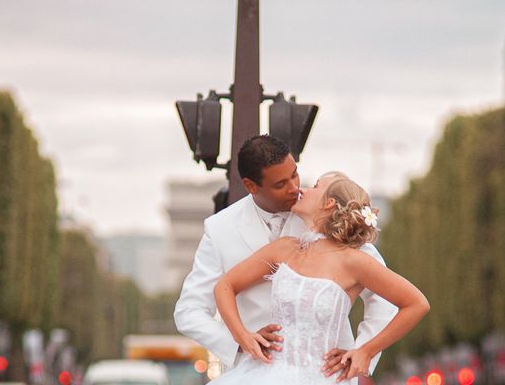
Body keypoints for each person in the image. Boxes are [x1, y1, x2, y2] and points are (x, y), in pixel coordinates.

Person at [173, 135, 397, 382]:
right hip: (252, 372)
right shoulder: (220, 229)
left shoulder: (325, 213)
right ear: (251, 186)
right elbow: (189, 310)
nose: (294, 188)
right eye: (281, 184)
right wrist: (240, 340)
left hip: (327, 374)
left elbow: (384, 299)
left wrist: (363, 352)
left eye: (295, 174)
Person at [210, 172, 430, 384]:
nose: (302, 190)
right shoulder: (284, 248)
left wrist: (366, 351)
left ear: (329, 203)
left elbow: (417, 304)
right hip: (265, 374)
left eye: (315, 186)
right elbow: (225, 286)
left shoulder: (354, 261)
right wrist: (243, 337)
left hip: (323, 377)